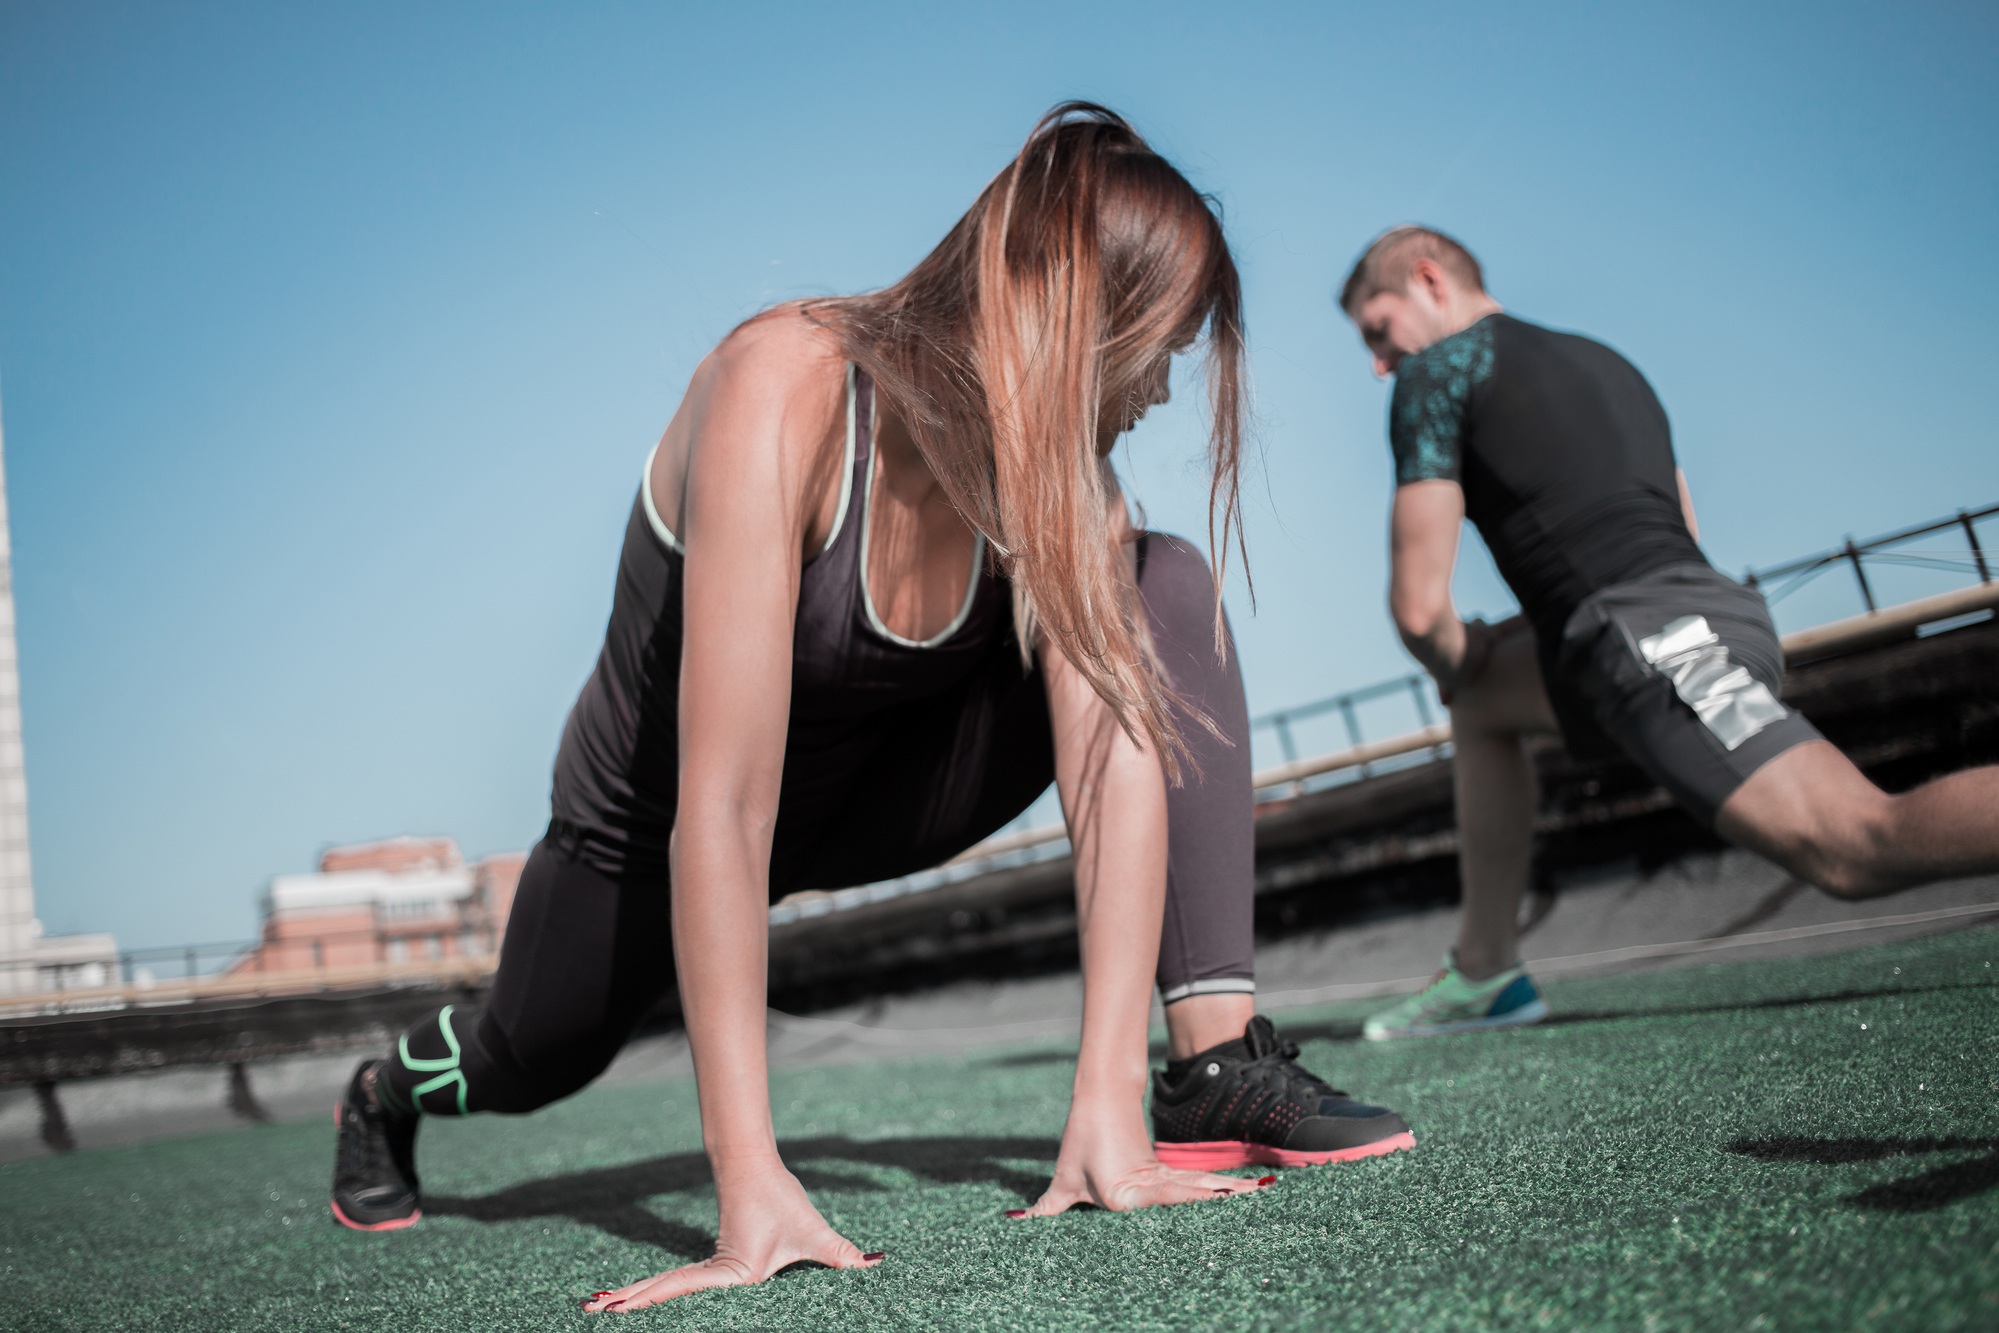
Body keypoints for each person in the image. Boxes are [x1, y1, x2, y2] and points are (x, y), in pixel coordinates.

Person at [328, 105, 1413, 1312]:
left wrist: (1106, 1105)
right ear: (1068, 313)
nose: (1160, 390)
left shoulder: (1070, 484)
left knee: (1161, 582)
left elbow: (1113, 772)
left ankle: (1209, 1067)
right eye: (1155, 348)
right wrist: (751, 1185)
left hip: (877, 795)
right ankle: (384, 1089)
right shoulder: (779, 392)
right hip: (656, 827)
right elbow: (725, 808)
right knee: (524, 1055)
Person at [1337, 225, 1999, 1042]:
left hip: (1652, 639)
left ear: (1429, 281)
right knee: (1484, 705)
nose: (1377, 363)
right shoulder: (1605, 361)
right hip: (1699, 612)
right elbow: (1671, 533)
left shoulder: (1436, 375)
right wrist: (1485, 665)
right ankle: (1486, 969)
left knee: (1855, 842)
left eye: (1377, 331)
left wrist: (1456, 654)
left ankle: (1485, 967)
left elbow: (1416, 609)